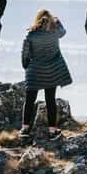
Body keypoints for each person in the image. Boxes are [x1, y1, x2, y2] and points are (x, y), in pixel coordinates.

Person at [21, 9, 72, 141]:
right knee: (50, 100)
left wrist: (28, 67)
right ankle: (52, 131)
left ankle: (25, 129)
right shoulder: (55, 33)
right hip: (52, 71)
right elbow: (63, 31)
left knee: (29, 100)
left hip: (34, 71)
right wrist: (58, 21)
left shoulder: (30, 35)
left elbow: (25, 55)